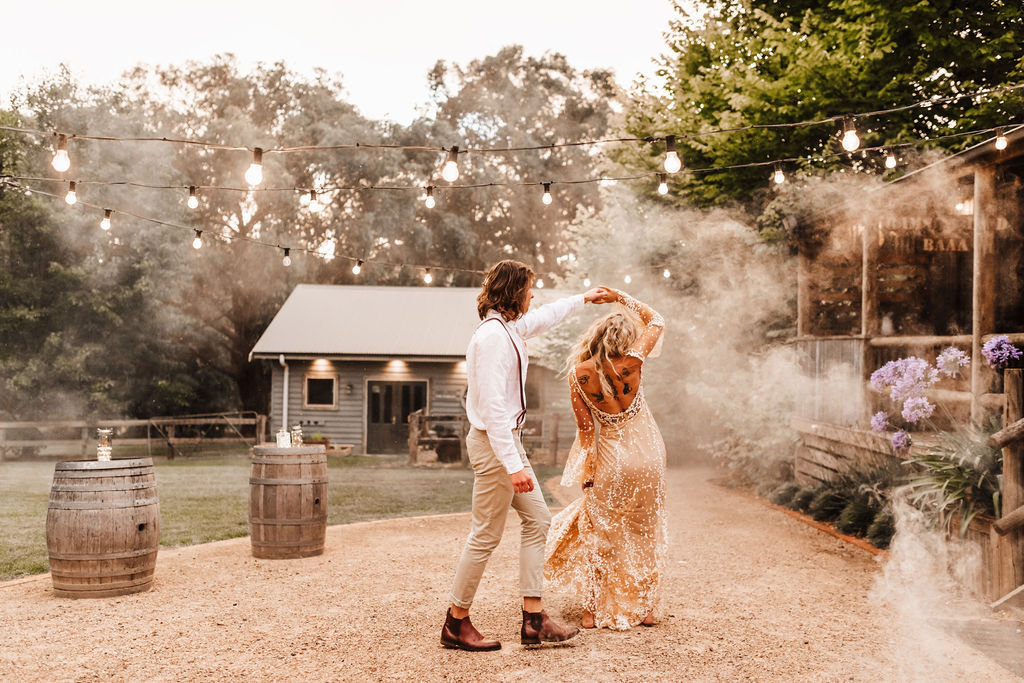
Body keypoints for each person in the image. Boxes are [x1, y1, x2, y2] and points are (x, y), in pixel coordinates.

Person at [441, 260, 617, 651]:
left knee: (538, 519)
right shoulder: (491, 339)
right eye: (529, 289)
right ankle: (455, 622)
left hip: (505, 443)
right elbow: (491, 412)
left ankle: (534, 620)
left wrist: (583, 299)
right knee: (485, 534)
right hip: (494, 445)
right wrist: (514, 464)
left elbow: (545, 317)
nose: (533, 296)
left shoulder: (509, 329)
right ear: (513, 292)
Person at [544, 289, 667, 631]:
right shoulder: (634, 363)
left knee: (602, 533)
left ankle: (592, 612)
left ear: (594, 338)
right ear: (628, 339)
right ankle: (644, 610)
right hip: (650, 456)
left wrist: (588, 472)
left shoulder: (579, 376)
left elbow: (587, 436)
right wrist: (620, 296)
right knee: (644, 532)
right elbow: (656, 320)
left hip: (614, 460)